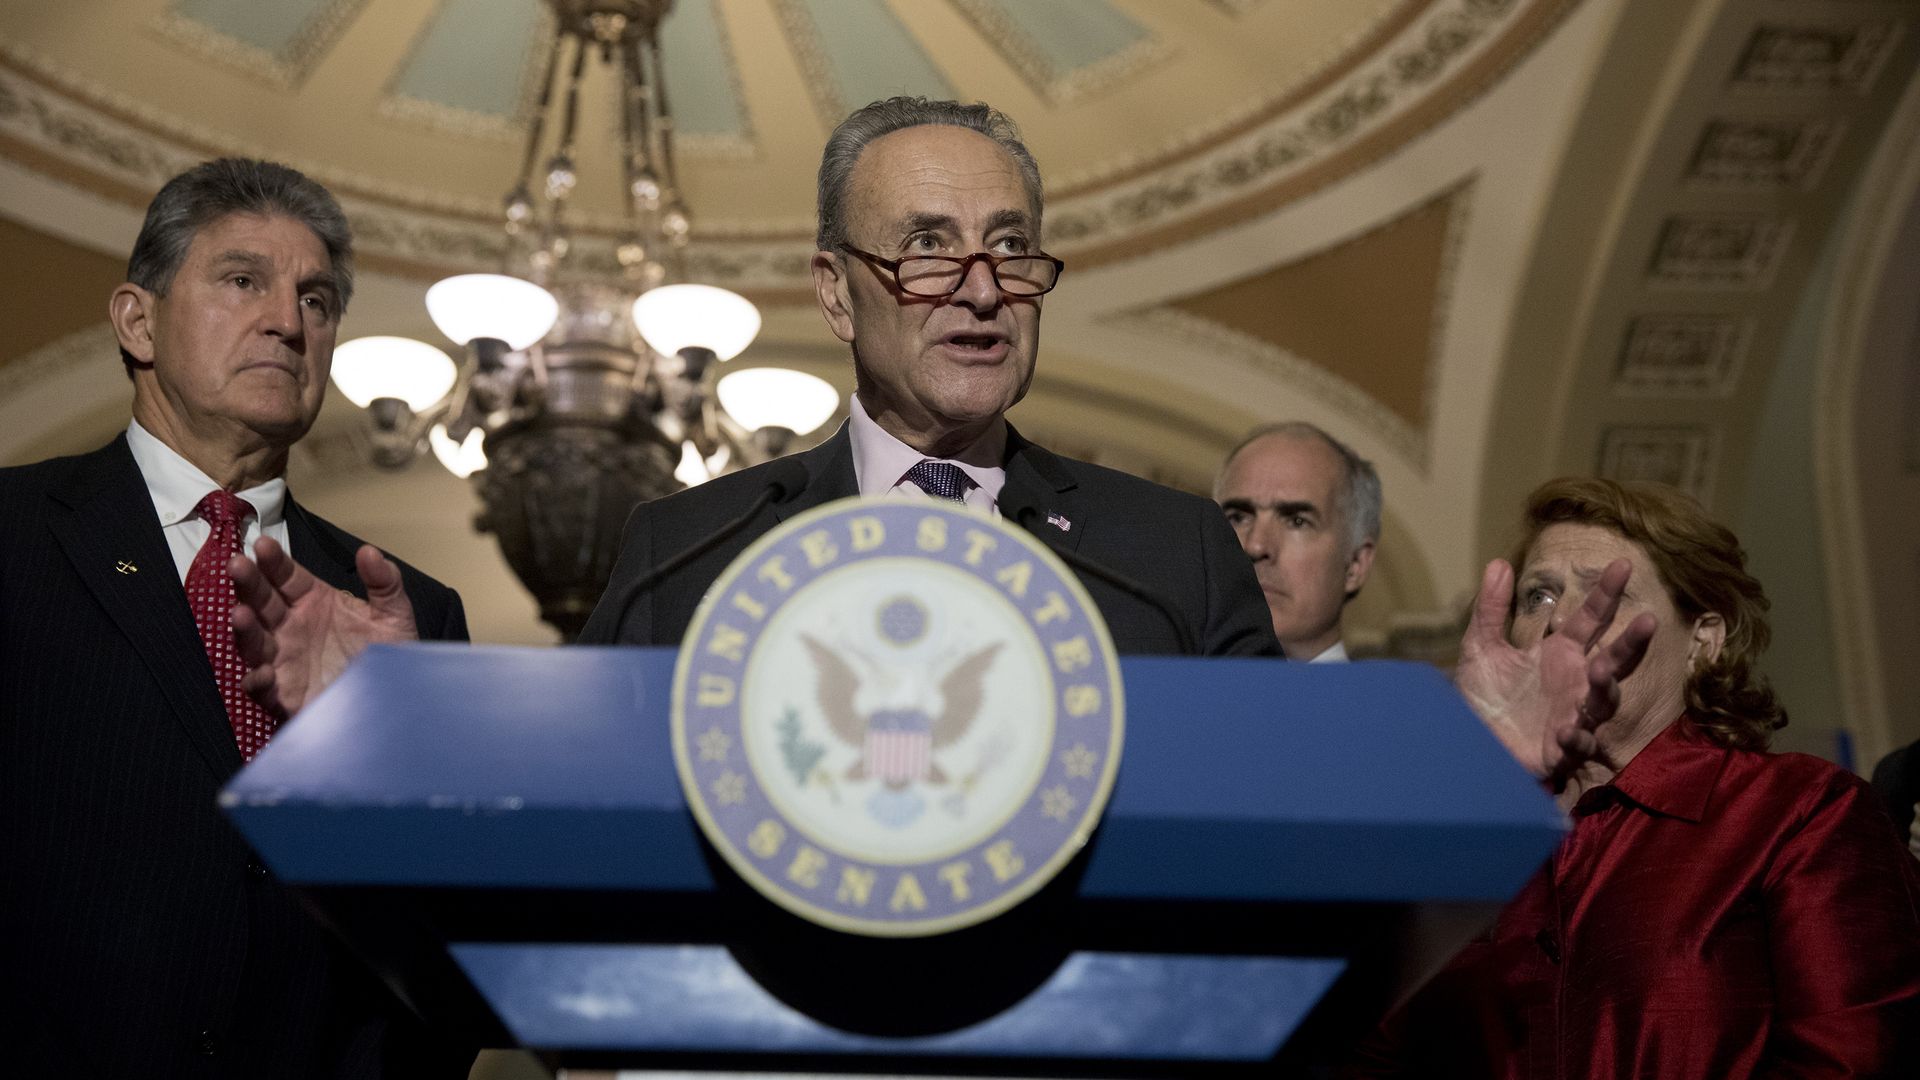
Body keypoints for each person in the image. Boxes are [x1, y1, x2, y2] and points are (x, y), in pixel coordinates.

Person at [230, 98, 1649, 800]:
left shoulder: (1171, 555)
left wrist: (1472, 766)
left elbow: (1289, 823)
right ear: (836, 290)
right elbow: (573, 818)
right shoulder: (688, 548)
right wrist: (389, 734)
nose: (980, 289)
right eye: (925, 249)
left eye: (1010, 249)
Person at [0, 159, 471, 1078]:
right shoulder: (15, 537)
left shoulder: (409, 609)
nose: (288, 322)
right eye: (244, 281)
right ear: (137, 322)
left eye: (316, 300)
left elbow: (450, 958)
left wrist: (391, 749)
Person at [1349, 477, 1920, 1078]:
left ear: (1703, 641)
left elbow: (1853, 1060)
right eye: (1537, 596)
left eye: (1608, 593)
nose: (1561, 621)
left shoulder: (1801, 812)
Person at [1215, 422, 1379, 661]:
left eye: (1297, 522)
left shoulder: (1406, 687)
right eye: (1237, 518)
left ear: (1356, 565)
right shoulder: (1162, 682)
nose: (1255, 546)